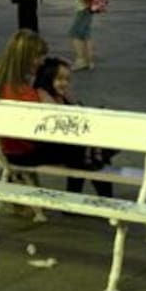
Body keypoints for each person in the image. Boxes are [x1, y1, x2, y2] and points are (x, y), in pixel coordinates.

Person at [32, 55, 114, 197]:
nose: (64, 83)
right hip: (51, 147)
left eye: (67, 79)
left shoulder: (59, 95)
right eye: (59, 79)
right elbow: (58, 123)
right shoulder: (44, 97)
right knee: (93, 156)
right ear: (47, 78)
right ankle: (105, 198)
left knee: (88, 157)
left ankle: (76, 195)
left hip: (65, 145)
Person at [0, 29, 53, 164]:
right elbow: (46, 121)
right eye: (38, 57)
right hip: (24, 150)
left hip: (4, 146)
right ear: (24, 57)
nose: (41, 62)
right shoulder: (19, 89)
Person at [68, 0, 96, 71]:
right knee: (86, 35)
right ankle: (89, 60)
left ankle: (80, 60)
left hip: (82, 10)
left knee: (74, 33)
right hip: (87, 10)